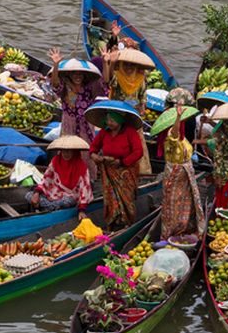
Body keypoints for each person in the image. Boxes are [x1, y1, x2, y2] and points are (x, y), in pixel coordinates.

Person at [101, 32, 155, 176]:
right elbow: (107, 80)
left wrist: (142, 107)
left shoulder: (140, 78)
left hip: (134, 115)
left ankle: (139, 172)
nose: (129, 67)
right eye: (126, 64)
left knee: (136, 147)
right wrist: (108, 62)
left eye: (132, 64)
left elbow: (143, 96)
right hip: (118, 117)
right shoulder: (118, 76)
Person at [87, 101, 144, 229]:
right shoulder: (104, 132)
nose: (109, 123)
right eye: (108, 120)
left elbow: (138, 152)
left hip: (126, 170)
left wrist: (122, 161)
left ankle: (126, 222)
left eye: (113, 121)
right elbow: (93, 148)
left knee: (126, 198)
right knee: (110, 198)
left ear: (120, 121)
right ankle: (113, 222)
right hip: (108, 171)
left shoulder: (130, 132)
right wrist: (94, 156)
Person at [160, 97, 204, 239]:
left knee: (187, 202)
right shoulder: (170, 136)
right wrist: (178, 117)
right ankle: (171, 233)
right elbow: (174, 134)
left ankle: (185, 230)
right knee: (173, 205)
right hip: (175, 174)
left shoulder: (183, 139)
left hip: (186, 174)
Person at [47, 48, 106, 144]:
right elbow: (55, 84)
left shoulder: (88, 87)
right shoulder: (65, 87)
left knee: (86, 148)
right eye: (75, 74)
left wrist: (105, 62)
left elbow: (105, 82)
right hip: (69, 124)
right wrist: (56, 64)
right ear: (70, 75)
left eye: (80, 75)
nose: (78, 77)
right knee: (69, 147)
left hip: (85, 124)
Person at [27, 135, 93, 213]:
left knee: (67, 202)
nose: (66, 153)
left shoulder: (81, 166)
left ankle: (46, 207)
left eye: (69, 151)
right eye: (63, 150)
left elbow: (85, 188)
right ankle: (49, 207)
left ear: (74, 151)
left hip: (70, 195)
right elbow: (46, 179)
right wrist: (37, 193)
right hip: (54, 192)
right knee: (29, 195)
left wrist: (82, 209)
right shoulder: (56, 161)